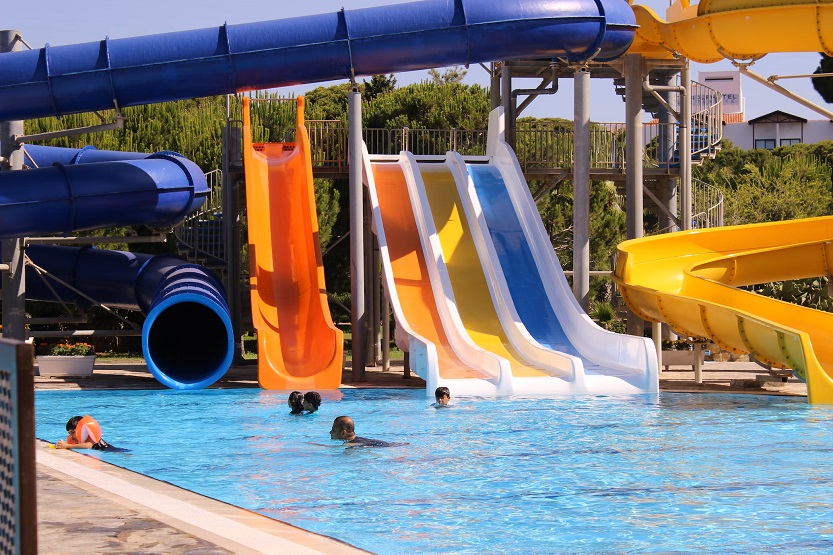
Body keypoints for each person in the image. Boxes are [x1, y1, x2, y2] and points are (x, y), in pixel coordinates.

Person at [329, 416, 400, 447]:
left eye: (333, 430)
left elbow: (330, 448)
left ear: (343, 433)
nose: (330, 432)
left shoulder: (349, 445)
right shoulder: (360, 440)